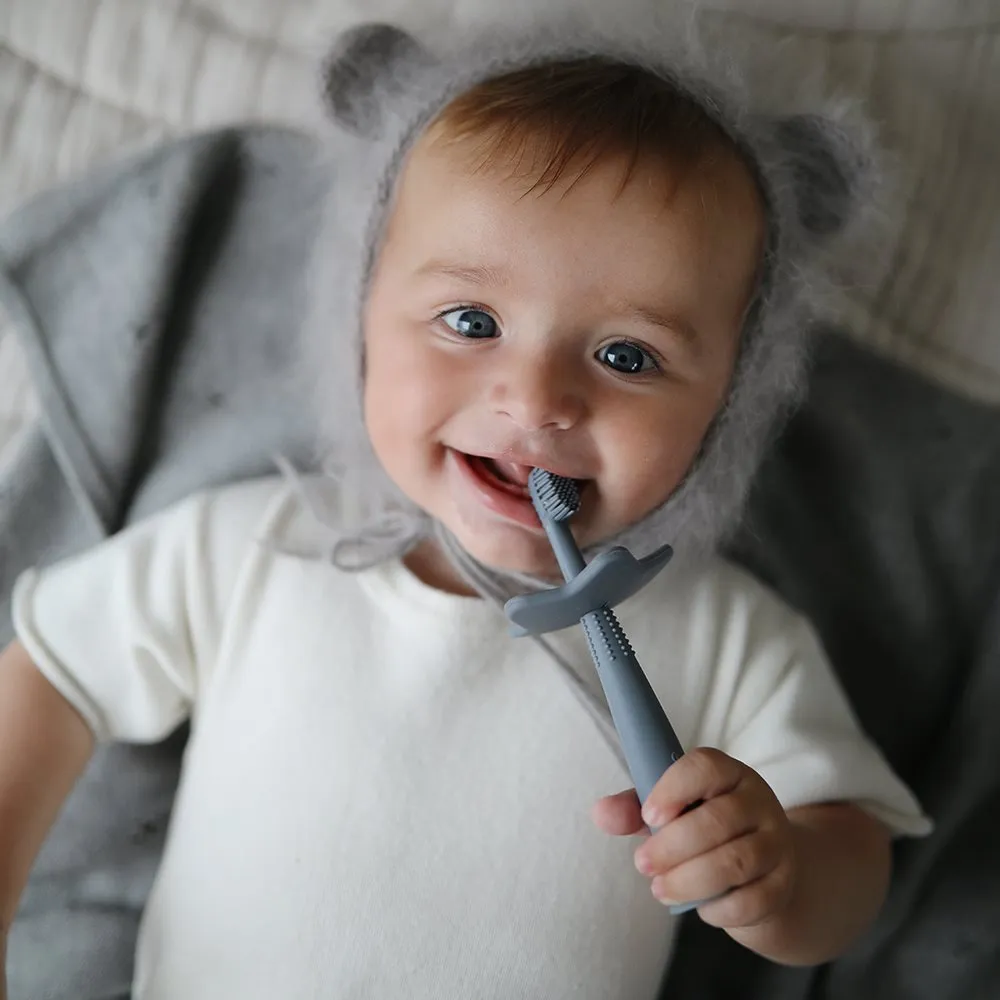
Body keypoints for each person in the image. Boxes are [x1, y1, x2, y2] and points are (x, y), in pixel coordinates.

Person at [0, 14, 931, 999]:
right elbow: (52, 676)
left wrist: (780, 869)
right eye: (469, 321)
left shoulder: (726, 633)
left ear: (732, 401)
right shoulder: (258, 548)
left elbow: (851, 848)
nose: (534, 401)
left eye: (627, 355)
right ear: (360, 316)